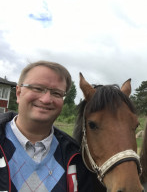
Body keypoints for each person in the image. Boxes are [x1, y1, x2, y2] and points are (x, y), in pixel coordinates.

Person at [0, 60, 96, 191]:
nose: (46, 100)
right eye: (37, 88)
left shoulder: (76, 158)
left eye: (56, 93)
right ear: (18, 93)